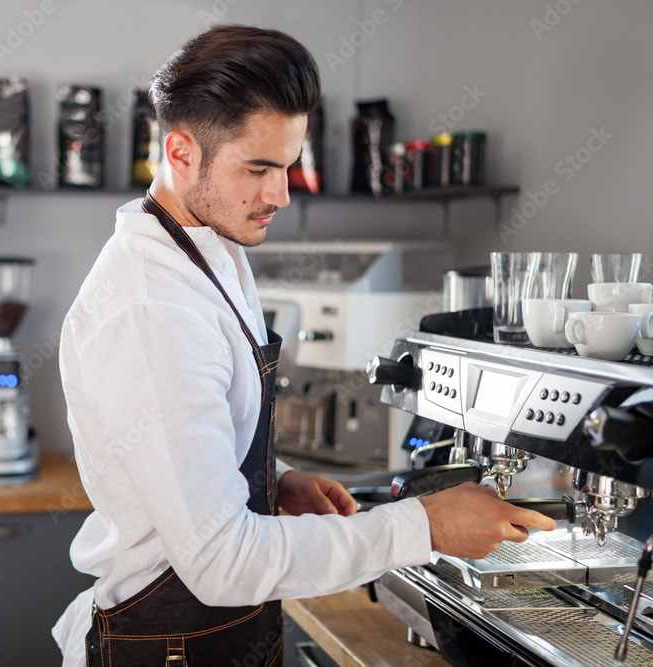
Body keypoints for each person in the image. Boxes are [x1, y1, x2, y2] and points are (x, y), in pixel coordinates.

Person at [53, 25, 557, 666]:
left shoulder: (208, 247)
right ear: (180, 154)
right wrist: (424, 526)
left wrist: (273, 480)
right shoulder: (152, 309)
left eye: (287, 165)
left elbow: (187, 442)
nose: (280, 195)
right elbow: (220, 562)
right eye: (258, 168)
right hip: (169, 645)